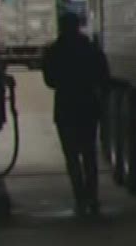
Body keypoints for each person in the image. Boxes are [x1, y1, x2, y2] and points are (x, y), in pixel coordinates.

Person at [39, 12, 110, 217]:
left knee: (72, 157)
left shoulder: (54, 51)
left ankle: (79, 197)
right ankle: (92, 197)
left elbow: (49, 81)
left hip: (65, 108)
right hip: (88, 107)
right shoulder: (91, 49)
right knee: (89, 155)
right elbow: (103, 77)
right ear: (78, 26)